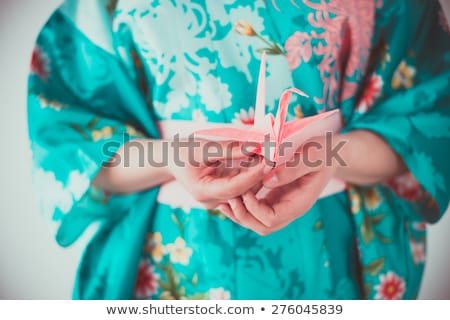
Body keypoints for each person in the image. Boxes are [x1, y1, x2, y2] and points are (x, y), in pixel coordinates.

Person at [27, 0, 450, 299]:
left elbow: (426, 121)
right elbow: (73, 140)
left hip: (330, 250)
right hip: (171, 256)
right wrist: (170, 158)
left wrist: (324, 155)